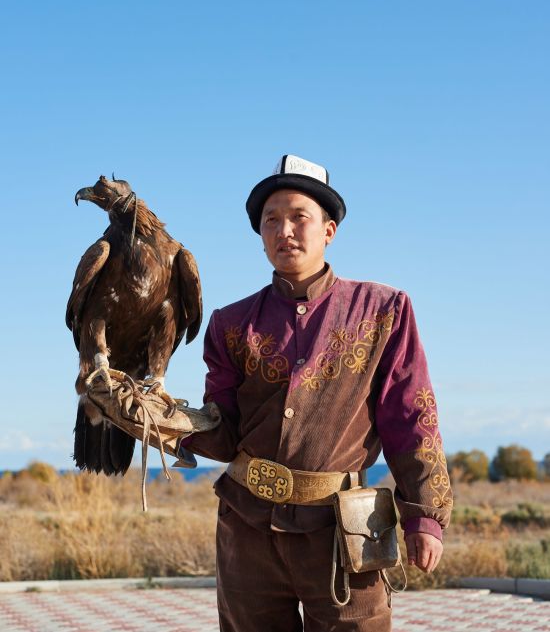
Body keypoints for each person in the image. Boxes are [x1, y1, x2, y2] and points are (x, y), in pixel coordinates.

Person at [90, 154, 453, 631]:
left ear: (328, 230)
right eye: (271, 221)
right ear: (260, 236)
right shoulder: (230, 324)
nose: (284, 230)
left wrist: (423, 517)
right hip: (247, 533)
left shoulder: (383, 311)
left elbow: (411, 418)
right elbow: (224, 432)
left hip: (345, 534)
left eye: (299, 217)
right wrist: (165, 422)